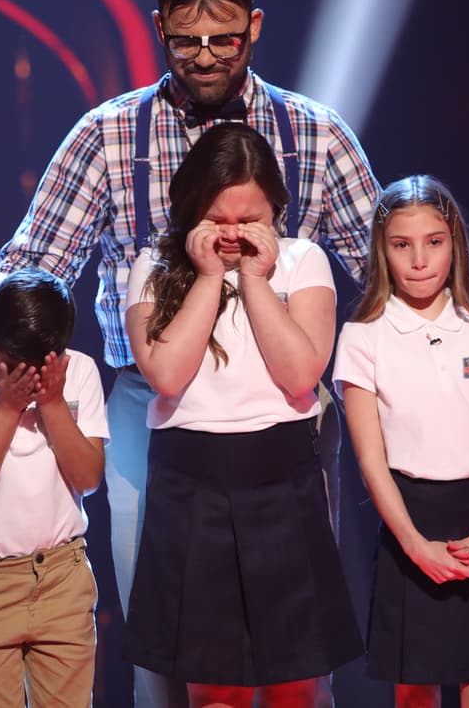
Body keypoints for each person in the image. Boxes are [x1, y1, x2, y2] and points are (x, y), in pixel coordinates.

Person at [0, 0, 469, 707]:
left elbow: (390, 266)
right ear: (159, 28)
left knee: (294, 635)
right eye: (186, 39)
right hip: (154, 400)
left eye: (224, 38)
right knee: (165, 628)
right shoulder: (108, 135)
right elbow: (34, 258)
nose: (206, 55)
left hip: (288, 409)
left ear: (256, 26)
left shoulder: (314, 132)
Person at [123, 123, 362, 708]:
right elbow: (167, 374)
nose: (232, 233)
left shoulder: (302, 261)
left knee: (295, 684)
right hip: (189, 480)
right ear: (192, 209)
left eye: (249, 219)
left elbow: (300, 374)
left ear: (275, 210)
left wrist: (254, 279)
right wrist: (209, 277)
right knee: (213, 687)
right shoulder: (154, 265)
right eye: (217, 218)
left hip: (283, 472)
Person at [332, 176, 469, 708]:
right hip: (410, 518)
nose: (419, 260)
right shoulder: (363, 335)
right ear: (382, 250)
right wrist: (411, 542)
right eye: (401, 245)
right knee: (415, 691)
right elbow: (370, 459)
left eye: (434, 241)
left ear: (455, 242)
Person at [0, 268, 109, 708]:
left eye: (37, 365)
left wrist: (52, 402)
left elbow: (88, 478)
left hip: (62, 577)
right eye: (10, 363)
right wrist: (7, 408)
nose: (23, 376)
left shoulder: (78, 371)